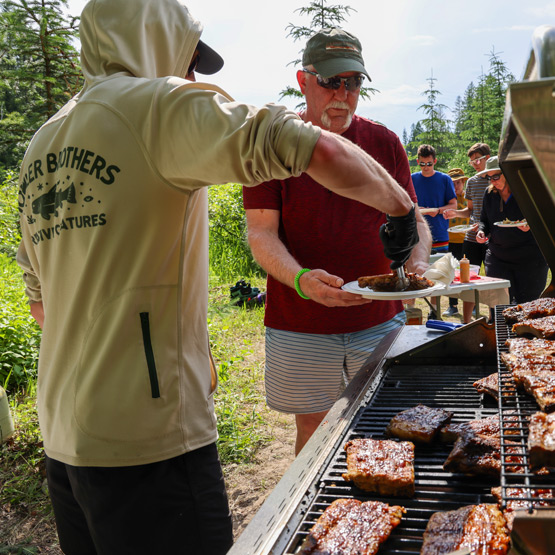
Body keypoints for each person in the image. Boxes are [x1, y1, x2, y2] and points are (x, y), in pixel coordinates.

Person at [15, 2, 420, 554]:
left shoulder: (45, 140)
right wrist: (399, 207)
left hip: (63, 436)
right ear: (153, 45)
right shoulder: (157, 107)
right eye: (188, 61)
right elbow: (312, 147)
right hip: (151, 441)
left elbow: (41, 304)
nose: (193, 78)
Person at [242, 27, 431, 456]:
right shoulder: (271, 145)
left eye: (353, 82)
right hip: (300, 320)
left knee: (385, 425)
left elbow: (412, 213)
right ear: (303, 80)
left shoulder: (384, 141)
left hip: (380, 317)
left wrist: (419, 257)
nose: (342, 95)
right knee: (313, 430)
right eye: (330, 82)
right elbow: (261, 234)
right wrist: (302, 278)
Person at [475, 157, 548, 304]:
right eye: (489, 177)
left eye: (496, 176)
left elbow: (545, 218)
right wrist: (481, 231)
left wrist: (531, 225)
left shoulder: (527, 191)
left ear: (507, 173)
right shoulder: (489, 194)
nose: (493, 181)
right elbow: (484, 220)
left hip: (529, 259)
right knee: (499, 305)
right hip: (498, 258)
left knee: (528, 306)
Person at [443, 143, 491, 323]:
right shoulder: (472, 182)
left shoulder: (498, 179)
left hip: (491, 239)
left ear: (487, 158)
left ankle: (494, 318)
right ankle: (466, 320)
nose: (475, 164)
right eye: (472, 162)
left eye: (477, 160)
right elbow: (469, 211)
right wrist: (455, 213)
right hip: (471, 237)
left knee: (493, 280)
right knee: (468, 279)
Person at [411, 144, 457, 255]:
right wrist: (416, 208)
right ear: (418, 162)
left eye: (429, 164)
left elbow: (454, 205)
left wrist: (437, 210)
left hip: (440, 235)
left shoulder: (445, 179)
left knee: (440, 270)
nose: (425, 167)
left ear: (435, 161)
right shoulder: (411, 179)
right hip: (417, 235)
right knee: (418, 271)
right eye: (422, 164)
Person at [442, 167, 469, 317]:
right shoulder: (447, 200)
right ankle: (453, 305)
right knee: (451, 273)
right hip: (450, 241)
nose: (456, 186)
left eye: (459, 182)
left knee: (468, 274)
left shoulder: (468, 198)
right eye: (453, 183)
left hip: (466, 240)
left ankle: (470, 304)